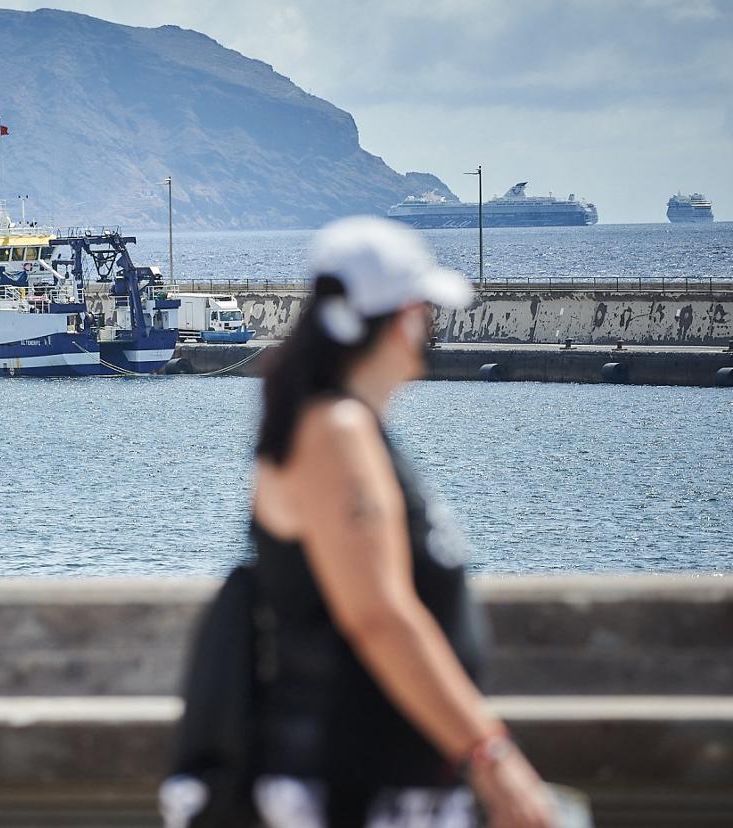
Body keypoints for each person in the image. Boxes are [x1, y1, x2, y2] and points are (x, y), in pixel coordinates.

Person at [165, 217, 555, 828]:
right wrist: (493, 756)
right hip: (350, 789)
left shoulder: (339, 425)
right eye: (426, 309)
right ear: (402, 318)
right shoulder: (335, 433)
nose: (429, 325)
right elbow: (378, 616)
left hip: (382, 781)